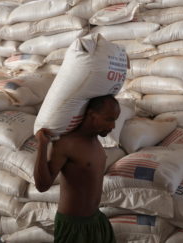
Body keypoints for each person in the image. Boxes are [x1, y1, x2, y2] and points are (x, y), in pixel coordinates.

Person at [34, 95, 120, 243]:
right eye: (108, 119)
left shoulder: (95, 139)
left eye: (114, 120)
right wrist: (42, 144)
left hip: (97, 220)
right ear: (92, 115)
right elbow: (42, 185)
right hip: (73, 227)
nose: (113, 126)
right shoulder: (66, 143)